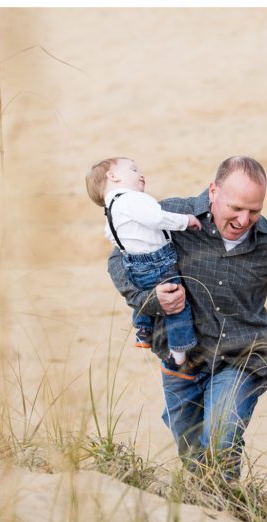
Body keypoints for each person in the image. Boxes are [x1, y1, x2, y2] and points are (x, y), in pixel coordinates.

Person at [108, 155, 267, 482]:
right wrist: (150, 301)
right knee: (194, 455)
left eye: (254, 210)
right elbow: (118, 259)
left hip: (242, 357)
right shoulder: (174, 216)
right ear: (213, 192)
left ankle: (227, 511)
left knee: (221, 442)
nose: (244, 219)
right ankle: (221, 515)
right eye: (236, 208)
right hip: (181, 359)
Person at [86, 156, 201, 376]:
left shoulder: (111, 210)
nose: (140, 174)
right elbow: (156, 219)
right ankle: (179, 358)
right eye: (133, 169)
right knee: (177, 305)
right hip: (158, 261)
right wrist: (185, 221)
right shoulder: (132, 199)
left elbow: (111, 236)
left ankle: (143, 328)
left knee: (146, 292)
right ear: (113, 176)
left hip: (132, 263)